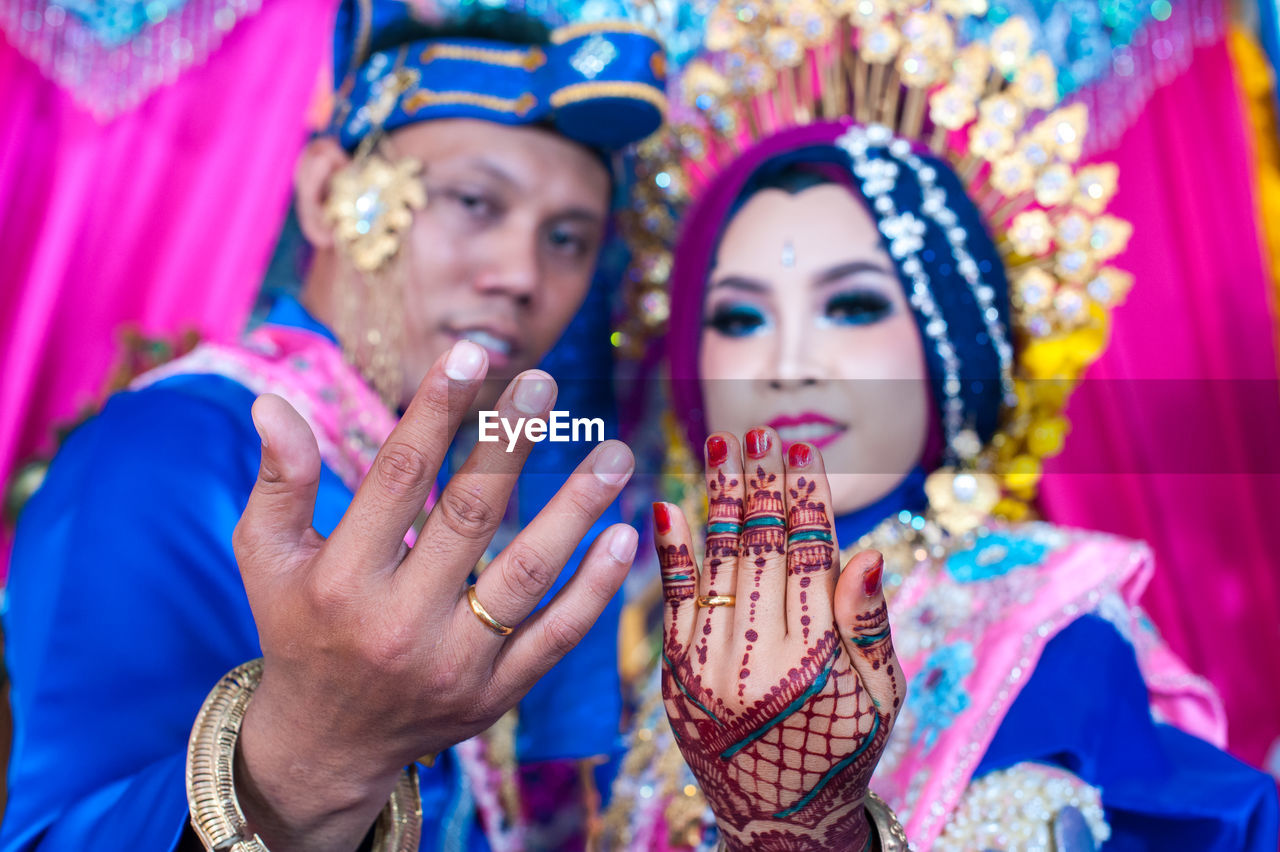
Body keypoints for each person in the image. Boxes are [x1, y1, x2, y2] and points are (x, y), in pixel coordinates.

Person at [601, 2, 1280, 850]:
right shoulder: (669, 639)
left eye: (852, 306)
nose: (790, 362)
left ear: (949, 349)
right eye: (740, 320)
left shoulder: (1045, 639)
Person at [0, 4, 674, 850]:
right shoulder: (169, 450)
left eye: (568, 238)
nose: (521, 274)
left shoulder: (435, 483)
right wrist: (312, 764)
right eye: (473, 200)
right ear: (326, 194)